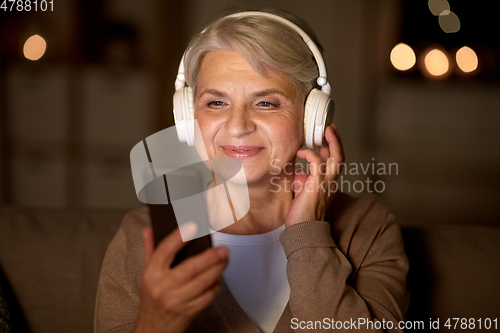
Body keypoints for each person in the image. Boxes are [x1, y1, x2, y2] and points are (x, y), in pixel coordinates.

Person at [94, 9, 409, 333]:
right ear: (187, 119)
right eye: (216, 103)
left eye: (266, 103)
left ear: (311, 118)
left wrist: (308, 234)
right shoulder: (143, 235)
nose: (238, 126)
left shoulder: (367, 227)